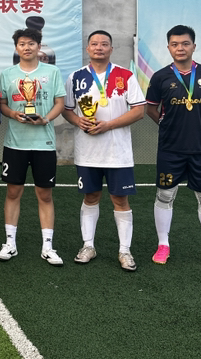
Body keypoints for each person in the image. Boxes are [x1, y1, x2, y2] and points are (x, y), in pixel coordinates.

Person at [145, 24, 201, 269]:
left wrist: (198, 122)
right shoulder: (160, 77)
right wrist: (167, 124)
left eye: (185, 43)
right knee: (165, 195)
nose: (180, 48)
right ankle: (163, 245)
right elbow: (151, 109)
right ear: (168, 48)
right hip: (170, 148)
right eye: (175, 44)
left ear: (194, 46)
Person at [62, 30, 145, 271]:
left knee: (120, 199)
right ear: (88, 48)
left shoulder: (125, 75)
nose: (99, 47)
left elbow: (139, 110)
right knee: (91, 197)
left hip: (118, 152)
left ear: (111, 49)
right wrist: (78, 121)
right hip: (87, 152)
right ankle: (88, 246)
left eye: (104, 44)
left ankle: (124, 250)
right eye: (94, 44)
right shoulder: (75, 77)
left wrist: (108, 125)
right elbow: (67, 109)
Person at [0, 28, 65, 265]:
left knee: (44, 194)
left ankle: (48, 246)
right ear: (16, 48)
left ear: (39, 46)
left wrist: (46, 119)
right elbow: (2, 104)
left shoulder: (52, 72)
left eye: (31, 43)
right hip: (15, 144)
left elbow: (59, 102)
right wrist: (13, 114)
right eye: (22, 44)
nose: (27, 47)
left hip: (44, 144)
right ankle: (10, 243)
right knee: (13, 192)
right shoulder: (8, 74)